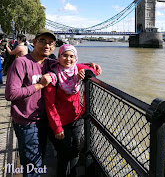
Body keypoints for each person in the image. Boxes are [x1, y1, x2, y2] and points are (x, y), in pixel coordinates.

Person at [5, 29, 102, 176]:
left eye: (50, 43)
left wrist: (91, 66)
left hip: (45, 120)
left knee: (41, 158)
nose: (47, 45)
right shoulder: (21, 63)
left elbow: (70, 63)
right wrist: (39, 85)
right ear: (34, 42)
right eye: (42, 41)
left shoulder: (51, 63)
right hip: (27, 122)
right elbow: (11, 94)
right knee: (32, 165)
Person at [44, 44, 100, 177]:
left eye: (72, 56)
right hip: (61, 123)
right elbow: (49, 105)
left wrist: (89, 67)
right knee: (64, 154)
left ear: (76, 58)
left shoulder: (76, 69)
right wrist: (57, 128)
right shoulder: (53, 76)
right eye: (64, 55)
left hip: (77, 119)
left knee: (75, 151)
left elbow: (94, 71)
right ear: (59, 57)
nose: (68, 59)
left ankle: (73, 173)